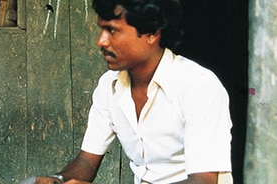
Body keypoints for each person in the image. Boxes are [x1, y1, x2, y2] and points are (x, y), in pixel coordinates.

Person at [28, 0, 233, 183]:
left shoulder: (198, 86)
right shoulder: (109, 86)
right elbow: (87, 161)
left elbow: (203, 181)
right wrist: (58, 180)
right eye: (102, 29)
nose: (102, 41)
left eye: (112, 30)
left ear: (152, 34)